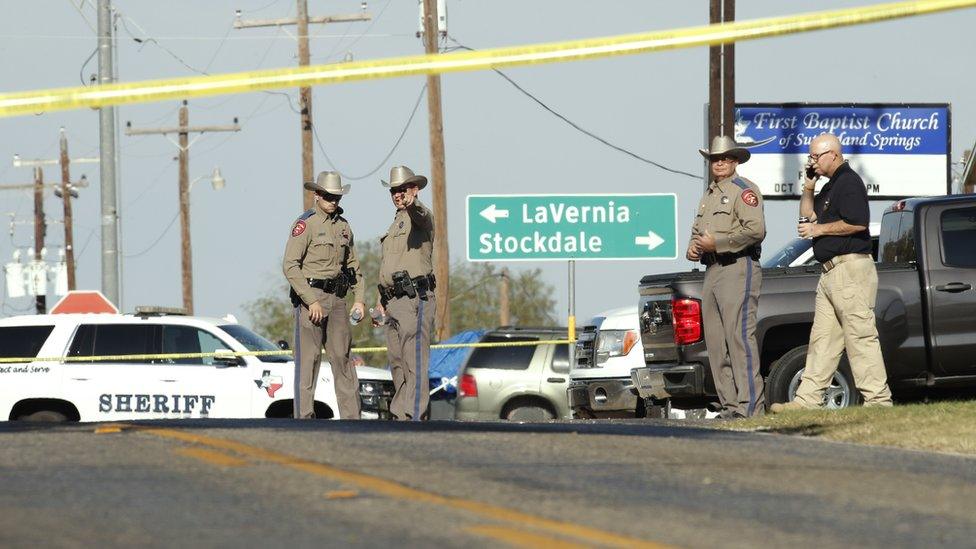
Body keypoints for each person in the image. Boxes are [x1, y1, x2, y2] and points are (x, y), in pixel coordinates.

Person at [771, 133, 892, 412]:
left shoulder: (848, 182)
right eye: (810, 156)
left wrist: (819, 230)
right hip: (829, 273)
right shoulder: (828, 188)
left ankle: (878, 401)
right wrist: (809, 187)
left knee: (860, 336)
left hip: (849, 269)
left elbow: (858, 223)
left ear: (833, 155)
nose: (811, 161)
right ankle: (807, 401)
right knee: (822, 340)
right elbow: (806, 217)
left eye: (815, 156)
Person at [688, 135, 766, 418]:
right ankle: (731, 407)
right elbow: (699, 230)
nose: (719, 162)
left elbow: (756, 231)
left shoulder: (744, 190)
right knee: (717, 344)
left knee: (739, 339)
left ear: (735, 161)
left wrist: (718, 243)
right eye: (715, 159)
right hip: (712, 270)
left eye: (725, 158)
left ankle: (751, 408)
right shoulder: (709, 194)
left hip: (737, 266)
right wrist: (694, 246)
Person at [283, 171, 366, 419]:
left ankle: (352, 420)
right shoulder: (305, 224)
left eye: (337, 197)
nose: (334, 201)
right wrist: (311, 301)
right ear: (317, 195)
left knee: (343, 359)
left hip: (338, 299)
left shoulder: (343, 227)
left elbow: (354, 267)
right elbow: (290, 265)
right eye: (329, 196)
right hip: (312, 299)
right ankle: (305, 420)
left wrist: (359, 299)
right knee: (308, 362)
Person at [374, 166, 435, 421]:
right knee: (397, 362)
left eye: (403, 189)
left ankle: (414, 414)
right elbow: (388, 267)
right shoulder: (395, 222)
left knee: (414, 359)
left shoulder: (419, 215)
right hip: (393, 300)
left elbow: (422, 214)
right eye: (394, 190)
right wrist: (380, 304)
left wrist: (414, 204)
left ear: (414, 190)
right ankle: (400, 415)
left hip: (414, 298)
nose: (398, 194)